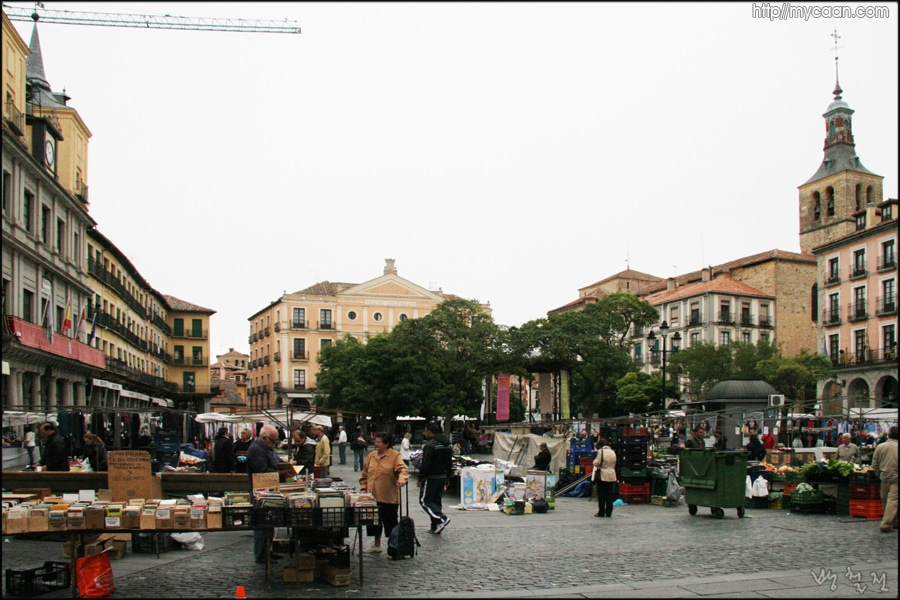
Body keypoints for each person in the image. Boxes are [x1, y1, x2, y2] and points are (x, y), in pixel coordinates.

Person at [358, 432, 409, 553]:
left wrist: (402, 478)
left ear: (386, 444)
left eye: (378, 442)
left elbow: (403, 469)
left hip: (388, 497)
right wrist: (363, 488)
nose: (376, 444)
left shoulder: (395, 456)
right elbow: (364, 474)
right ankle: (377, 545)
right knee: (374, 522)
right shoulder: (372, 456)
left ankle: (393, 546)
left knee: (390, 522)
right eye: (375, 442)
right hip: (372, 497)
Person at [246, 424, 284, 564]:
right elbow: (261, 471)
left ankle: (267, 551)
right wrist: (280, 472)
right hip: (260, 492)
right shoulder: (256, 449)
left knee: (268, 524)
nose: (274, 444)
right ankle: (261, 555)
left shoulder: (265, 447)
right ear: (265, 438)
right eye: (273, 441)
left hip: (267, 491)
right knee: (261, 526)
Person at [418, 421, 452, 534]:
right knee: (436, 501)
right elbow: (449, 462)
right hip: (442, 476)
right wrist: (448, 477)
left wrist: (421, 478)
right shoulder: (447, 444)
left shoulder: (430, 445)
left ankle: (441, 518)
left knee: (425, 500)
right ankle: (435, 525)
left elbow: (426, 463)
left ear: (429, 431)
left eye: (425, 431)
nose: (424, 433)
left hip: (431, 477)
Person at [869, 425, 898, 533]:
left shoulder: (880, 446)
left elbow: (875, 464)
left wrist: (879, 474)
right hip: (896, 477)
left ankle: (892, 520)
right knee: (893, 500)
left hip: (884, 476)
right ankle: (886, 523)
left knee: (885, 498)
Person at [592, 437, 617, 517]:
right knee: (609, 494)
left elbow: (597, 462)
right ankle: (609, 512)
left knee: (602, 494)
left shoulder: (601, 451)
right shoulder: (612, 452)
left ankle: (601, 512)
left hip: (603, 474)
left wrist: (594, 462)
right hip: (612, 474)